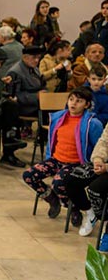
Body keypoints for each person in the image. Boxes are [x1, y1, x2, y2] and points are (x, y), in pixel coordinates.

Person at [23, 87, 103, 221]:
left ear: (87, 105)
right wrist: (48, 158)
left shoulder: (92, 123)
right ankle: (52, 199)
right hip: (56, 159)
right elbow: (51, 141)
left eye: (79, 101)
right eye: (71, 99)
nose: (73, 103)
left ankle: (73, 208)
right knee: (28, 175)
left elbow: (99, 147)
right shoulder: (58, 117)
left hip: (76, 164)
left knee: (58, 183)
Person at [7, 45, 47, 117]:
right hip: (25, 108)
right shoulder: (15, 72)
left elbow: (42, 85)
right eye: (34, 57)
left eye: (38, 57)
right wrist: (36, 96)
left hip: (39, 104)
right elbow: (14, 96)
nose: (37, 60)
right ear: (24, 57)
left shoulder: (35, 69)